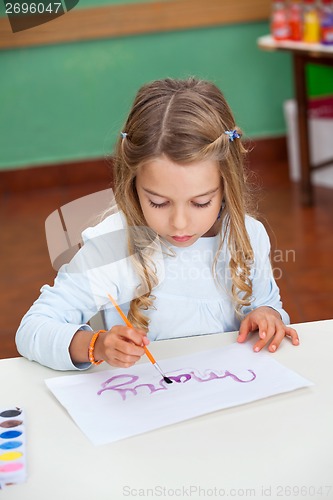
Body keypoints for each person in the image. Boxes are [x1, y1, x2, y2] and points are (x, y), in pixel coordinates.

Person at [16, 77, 299, 371]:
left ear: (226, 185)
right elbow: (33, 329)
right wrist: (95, 345)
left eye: (200, 202)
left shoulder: (248, 234)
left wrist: (267, 315)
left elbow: (268, 303)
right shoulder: (111, 246)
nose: (179, 222)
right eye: (159, 203)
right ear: (133, 185)